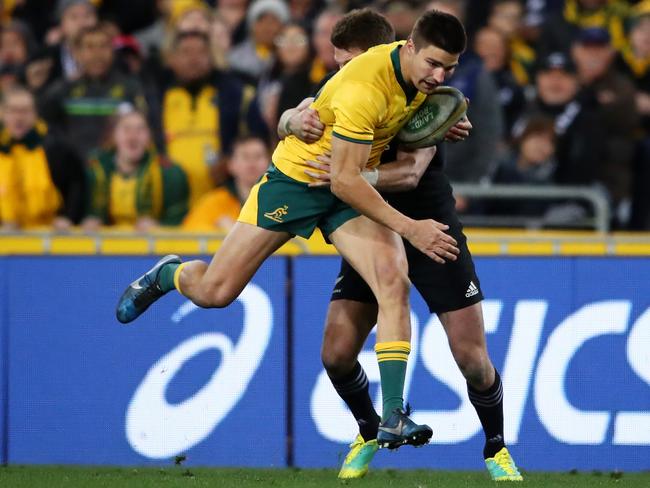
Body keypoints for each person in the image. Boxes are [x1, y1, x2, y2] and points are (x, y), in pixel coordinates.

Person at [116, 9, 466, 456]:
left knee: (392, 279)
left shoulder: (419, 78)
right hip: (300, 180)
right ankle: (168, 275)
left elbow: (408, 132)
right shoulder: (364, 85)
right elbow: (344, 178)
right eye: (433, 65)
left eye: (448, 68)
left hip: (345, 185)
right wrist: (411, 227)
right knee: (214, 292)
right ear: (410, 49)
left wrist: (450, 122)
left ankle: (394, 413)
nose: (439, 75)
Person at [280, 8, 522, 482]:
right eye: (336, 63)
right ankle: (370, 429)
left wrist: (345, 178)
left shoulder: (427, 99)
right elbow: (295, 116)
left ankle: (496, 447)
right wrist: (292, 120)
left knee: (472, 357)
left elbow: (410, 173)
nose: (340, 71)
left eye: (346, 61)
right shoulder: (349, 92)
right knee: (335, 352)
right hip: (373, 226)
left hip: (428, 226)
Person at [83, 110, 189, 232]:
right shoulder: (95, 171)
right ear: (113, 135)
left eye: (140, 130)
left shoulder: (170, 174)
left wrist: (159, 228)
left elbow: (177, 224)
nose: (133, 137)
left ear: (150, 136)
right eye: (126, 129)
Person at [0, 86, 85, 230]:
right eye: (13, 110)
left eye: (25, 111)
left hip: (48, 234)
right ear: (2, 113)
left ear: (35, 113)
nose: (19, 117)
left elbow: (77, 183)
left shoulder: (56, 145)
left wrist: (68, 217)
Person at [182, 136, 270, 231]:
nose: (252, 163)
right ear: (231, 165)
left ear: (271, 163)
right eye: (245, 157)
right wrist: (217, 230)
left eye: (258, 156)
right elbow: (189, 233)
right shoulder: (214, 202)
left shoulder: (280, 201)